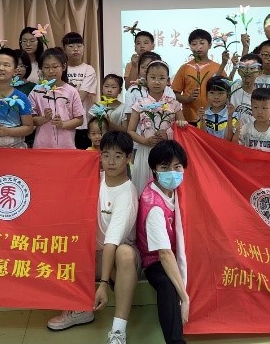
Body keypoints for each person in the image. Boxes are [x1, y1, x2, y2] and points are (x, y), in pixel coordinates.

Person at [47, 132, 140, 344]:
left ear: (128, 158)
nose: (111, 162)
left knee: (124, 254)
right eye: (106, 155)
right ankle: (79, 308)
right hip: (93, 253)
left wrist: (103, 284)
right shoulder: (94, 179)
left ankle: (118, 331)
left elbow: (111, 243)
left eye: (118, 156)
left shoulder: (127, 194)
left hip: (116, 258)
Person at [137, 140, 189, 344]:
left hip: (180, 250)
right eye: (165, 167)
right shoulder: (153, 205)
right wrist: (184, 297)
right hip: (155, 259)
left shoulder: (179, 189)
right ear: (154, 170)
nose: (172, 173)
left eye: (177, 167)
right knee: (167, 284)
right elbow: (164, 254)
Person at [128, 61, 186, 194]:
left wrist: (169, 134)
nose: (157, 82)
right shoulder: (140, 103)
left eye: (161, 78)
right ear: (146, 79)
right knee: (144, 187)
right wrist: (145, 141)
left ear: (168, 81)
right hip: (146, 151)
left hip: (168, 152)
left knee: (166, 187)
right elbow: (130, 131)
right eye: (153, 78)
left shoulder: (173, 103)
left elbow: (182, 126)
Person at [29, 48, 84, 149]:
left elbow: (79, 119)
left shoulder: (71, 91)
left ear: (64, 67)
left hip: (66, 146)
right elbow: (30, 119)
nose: (51, 71)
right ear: (41, 68)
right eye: (46, 67)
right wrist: (44, 119)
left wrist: (63, 124)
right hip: (42, 146)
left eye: (55, 67)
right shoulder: (36, 91)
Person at [172, 29, 224, 126]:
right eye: (194, 44)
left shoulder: (217, 67)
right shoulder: (185, 68)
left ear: (209, 45)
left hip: (213, 119)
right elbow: (174, 94)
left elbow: (227, 90)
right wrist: (188, 99)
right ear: (190, 47)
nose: (198, 47)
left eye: (202, 43)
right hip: (190, 119)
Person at [123, 52, 176, 130]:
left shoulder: (168, 90)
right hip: (140, 135)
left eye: (149, 66)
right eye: (143, 67)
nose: (145, 70)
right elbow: (129, 118)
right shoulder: (132, 90)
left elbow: (172, 114)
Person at [63, 32, 98, 150]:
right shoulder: (60, 69)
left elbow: (81, 97)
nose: (75, 49)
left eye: (79, 46)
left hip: (82, 124)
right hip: (63, 122)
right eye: (71, 46)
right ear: (64, 49)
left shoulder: (89, 69)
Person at [198, 76, 237, 141]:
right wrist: (202, 119)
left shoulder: (233, 115)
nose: (216, 97)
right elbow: (203, 138)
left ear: (228, 95)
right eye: (212, 93)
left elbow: (228, 139)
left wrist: (230, 116)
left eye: (221, 93)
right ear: (206, 94)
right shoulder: (203, 114)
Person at [228, 53, 262, 125]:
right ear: (238, 70)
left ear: (260, 72)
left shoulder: (262, 95)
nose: (247, 71)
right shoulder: (233, 87)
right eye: (243, 67)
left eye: (252, 68)